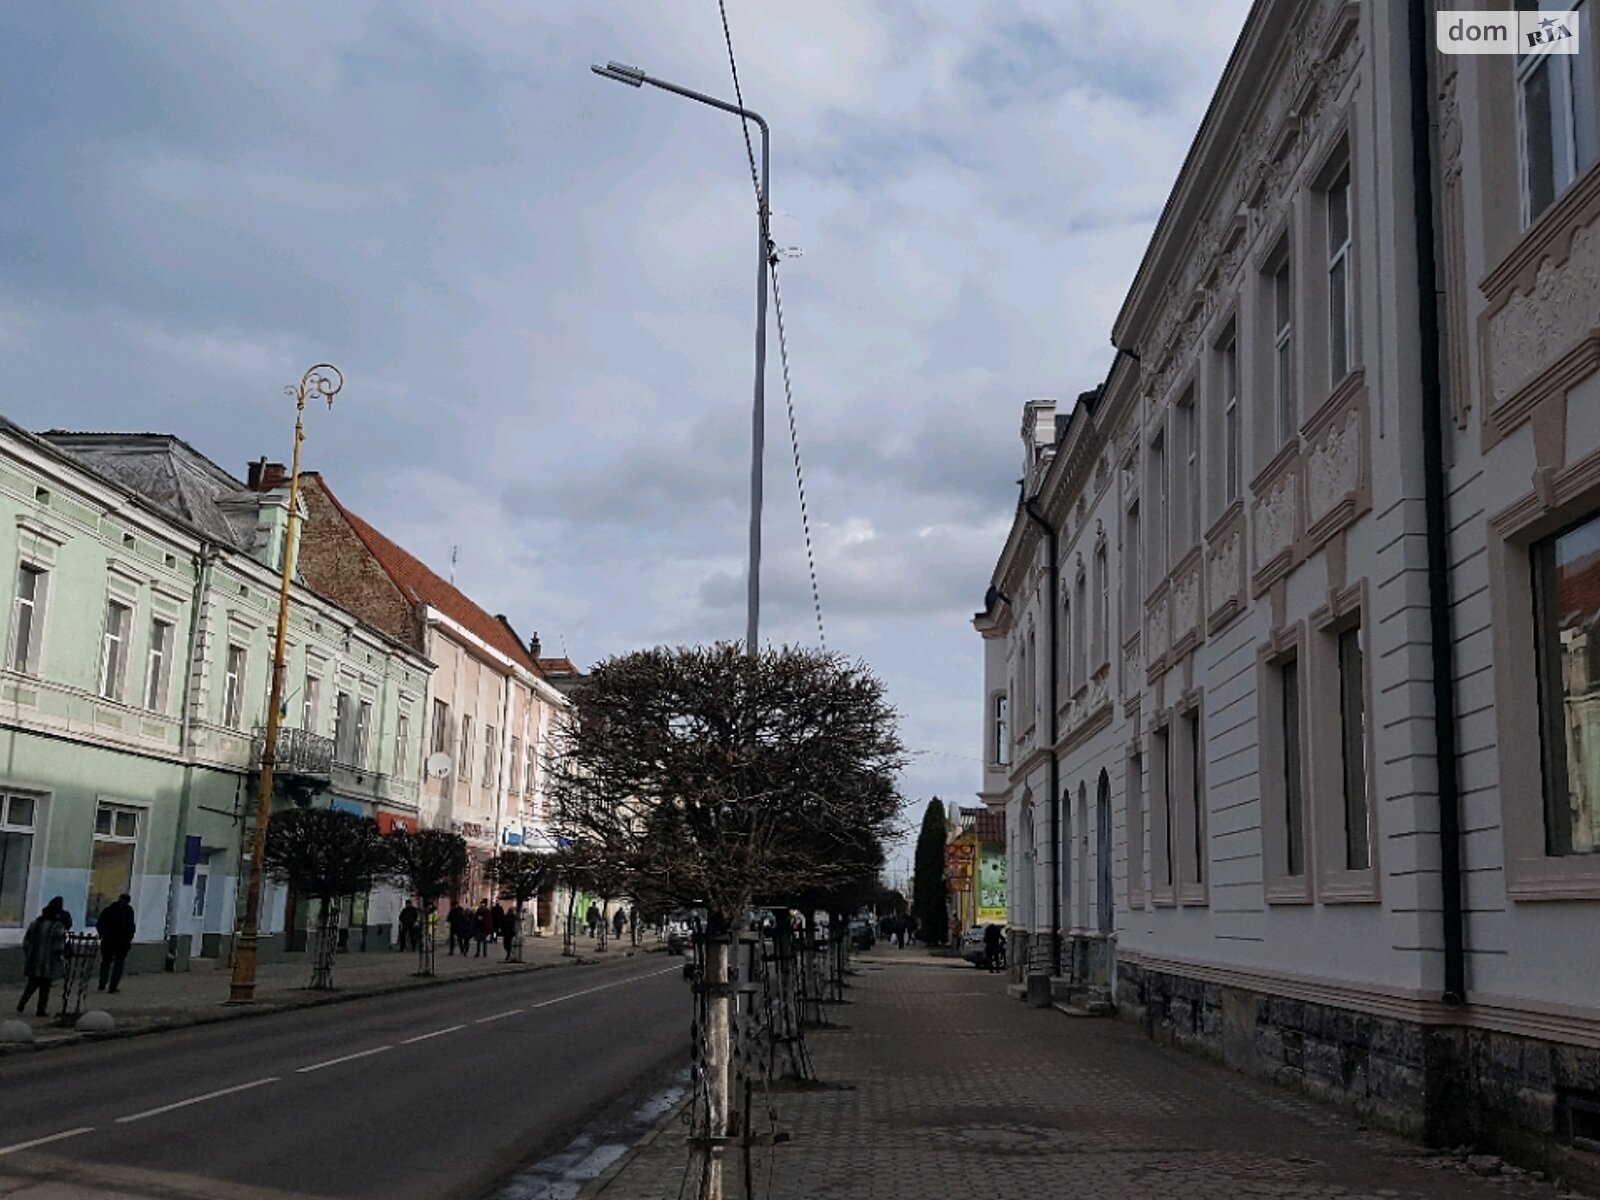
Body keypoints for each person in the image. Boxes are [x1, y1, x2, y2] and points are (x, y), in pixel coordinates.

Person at [16, 899, 68, 1016]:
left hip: (34, 960)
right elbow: (58, 945)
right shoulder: (57, 926)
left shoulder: (36, 923)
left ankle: (21, 1004)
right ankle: (41, 1010)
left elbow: (27, 942)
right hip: (48, 962)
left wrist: (29, 954)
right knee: (45, 987)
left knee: (31, 984)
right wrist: (61, 955)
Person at [95, 892, 136, 992]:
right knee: (118, 964)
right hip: (122, 943)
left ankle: (102, 983)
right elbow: (131, 927)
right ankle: (113, 986)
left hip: (108, 941)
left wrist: (102, 934)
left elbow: (100, 923)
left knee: (106, 962)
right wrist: (128, 939)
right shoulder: (128, 911)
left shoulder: (109, 910)